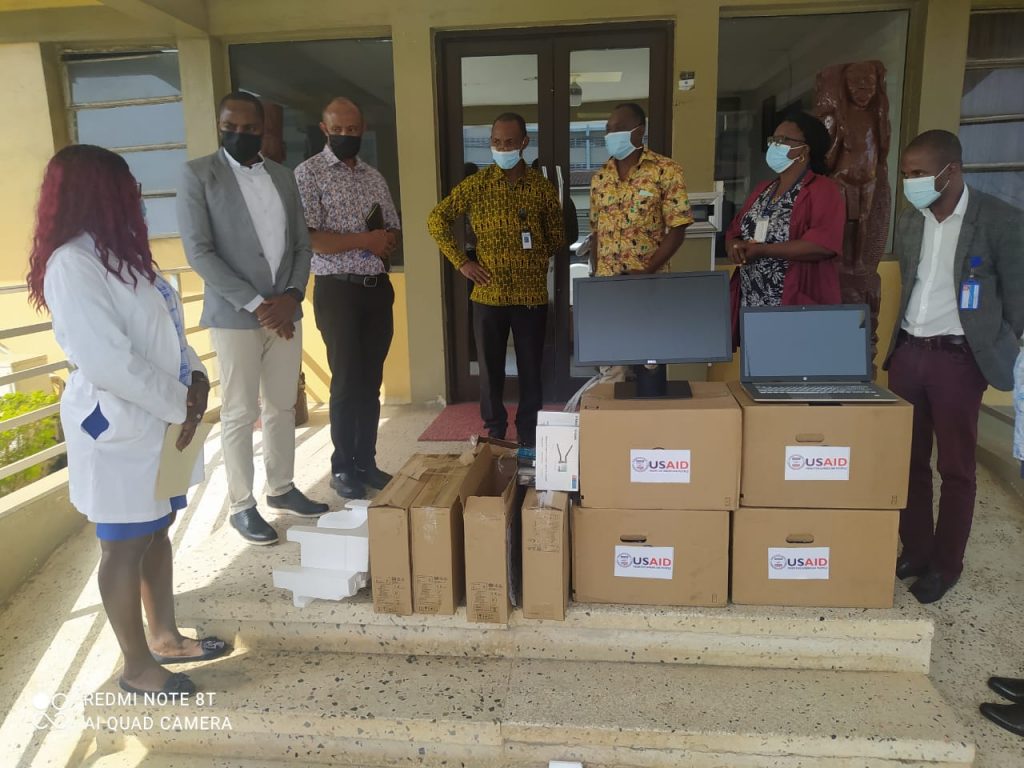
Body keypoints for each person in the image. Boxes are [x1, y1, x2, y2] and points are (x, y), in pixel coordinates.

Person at [27, 145, 229, 696]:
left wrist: (196, 381)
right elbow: (108, 361)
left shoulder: (125, 257)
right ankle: (136, 667)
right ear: (99, 193)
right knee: (122, 544)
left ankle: (164, 635)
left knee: (156, 526)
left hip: (162, 420)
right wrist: (178, 404)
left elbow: (167, 331)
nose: (137, 196)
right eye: (126, 187)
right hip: (117, 426)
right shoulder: (73, 263)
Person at [178, 91, 328, 546]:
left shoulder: (283, 177)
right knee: (241, 412)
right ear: (219, 124)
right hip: (235, 315)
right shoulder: (197, 175)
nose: (239, 134)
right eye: (231, 127)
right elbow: (199, 252)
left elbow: (302, 245)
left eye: (249, 128)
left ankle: (281, 487)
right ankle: (242, 505)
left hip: (285, 310)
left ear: (264, 129)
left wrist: (292, 295)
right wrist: (258, 305)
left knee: (281, 405)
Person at [883, 129, 1024, 604]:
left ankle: (946, 565)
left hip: (959, 359)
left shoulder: (1000, 220)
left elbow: (1018, 301)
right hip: (908, 353)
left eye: (919, 173)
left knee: (957, 468)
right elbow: (914, 282)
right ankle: (917, 550)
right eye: (905, 174)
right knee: (908, 461)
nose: (910, 182)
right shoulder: (910, 220)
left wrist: (986, 347)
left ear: (952, 170)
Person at [428, 113, 564, 447]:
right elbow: (436, 219)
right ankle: (496, 430)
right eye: (496, 142)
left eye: (509, 142)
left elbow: (558, 236)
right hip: (488, 297)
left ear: (523, 143)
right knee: (491, 371)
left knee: (532, 368)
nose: (502, 148)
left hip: (530, 296)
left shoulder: (542, 189)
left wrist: (532, 257)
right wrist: (462, 262)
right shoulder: (476, 185)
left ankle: (529, 432)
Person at [294, 98, 401, 499]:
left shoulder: (374, 176)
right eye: (337, 130)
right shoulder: (309, 174)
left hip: (376, 289)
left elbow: (393, 228)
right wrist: (365, 241)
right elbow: (311, 237)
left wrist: (387, 240)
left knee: (371, 381)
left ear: (362, 129)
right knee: (346, 381)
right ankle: (342, 468)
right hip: (338, 289)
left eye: (352, 130)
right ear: (324, 129)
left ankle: (366, 462)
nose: (345, 136)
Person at [725, 112, 844, 344]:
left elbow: (822, 245)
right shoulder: (764, 189)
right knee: (756, 373)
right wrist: (734, 246)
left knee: (791, 371)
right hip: (754, 301)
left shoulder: (823, 190)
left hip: (795, 302)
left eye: (783, 140)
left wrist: (763, 251)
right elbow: (735, 231)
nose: (774, 146)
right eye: (773, 140)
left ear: (805, 150)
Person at [588, 102, 693, 276]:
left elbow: (678, 228)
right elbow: (596, 233)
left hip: (649, 282)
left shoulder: (665, 170)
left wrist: (647, 272)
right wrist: (594, 273)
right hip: (607, 284)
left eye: (619, 128)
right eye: (608, 129)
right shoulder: (600, 178)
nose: (611, 134)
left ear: (640, 131)